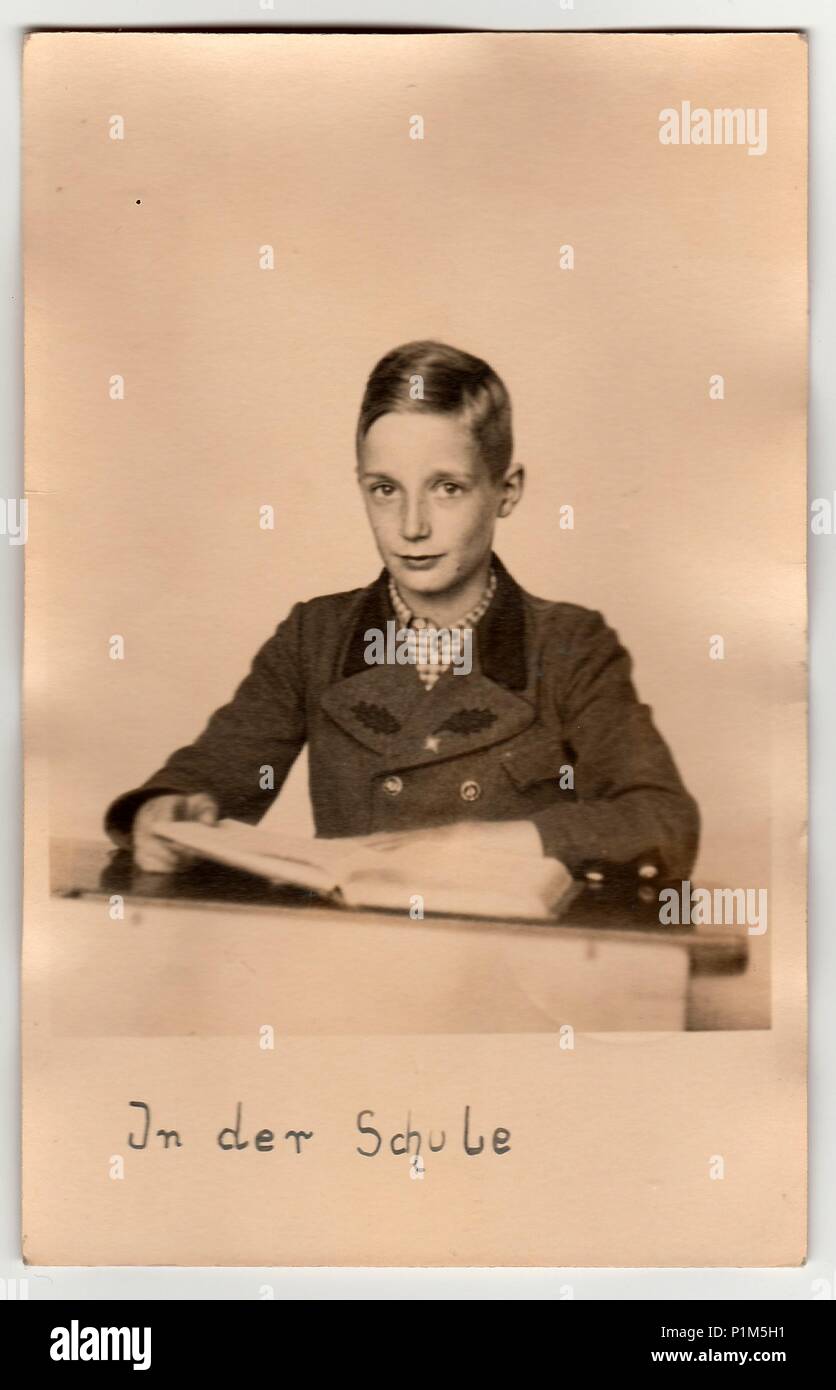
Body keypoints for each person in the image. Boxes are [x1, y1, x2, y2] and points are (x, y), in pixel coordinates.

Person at [104, 340, 699, 883]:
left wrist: (475, 843)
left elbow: (662, 821)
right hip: (350, 965)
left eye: (447, 488)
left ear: (507, 490)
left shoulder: (570, 646)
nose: (412, 527)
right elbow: (213, 774)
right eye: (385, 489)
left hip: (512, 976)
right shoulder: (315, 636)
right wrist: (167, 811)